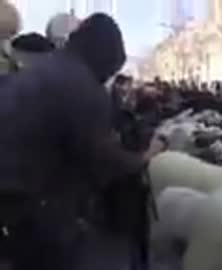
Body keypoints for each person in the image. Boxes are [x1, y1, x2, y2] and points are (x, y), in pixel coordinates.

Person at [0, 13, 166, 270]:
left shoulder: (46, 69)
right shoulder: (83, 86)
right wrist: (143, 158)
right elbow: (101, 159)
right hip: (34, 208)